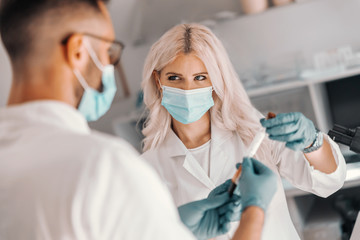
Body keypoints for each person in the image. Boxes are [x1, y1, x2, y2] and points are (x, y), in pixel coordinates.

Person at [0, 0, 276, 239]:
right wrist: (255, 209)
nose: (110, 65)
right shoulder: (103, 166)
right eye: (109, 51)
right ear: (78, 52)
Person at [140, 23, 347, 240]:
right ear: (158, 80)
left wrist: (312, 143)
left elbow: (329, 183)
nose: (187, 90)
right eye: (174, 78)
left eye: (200, 77)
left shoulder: (254, 131)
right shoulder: (147, 168)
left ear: (217, 79)